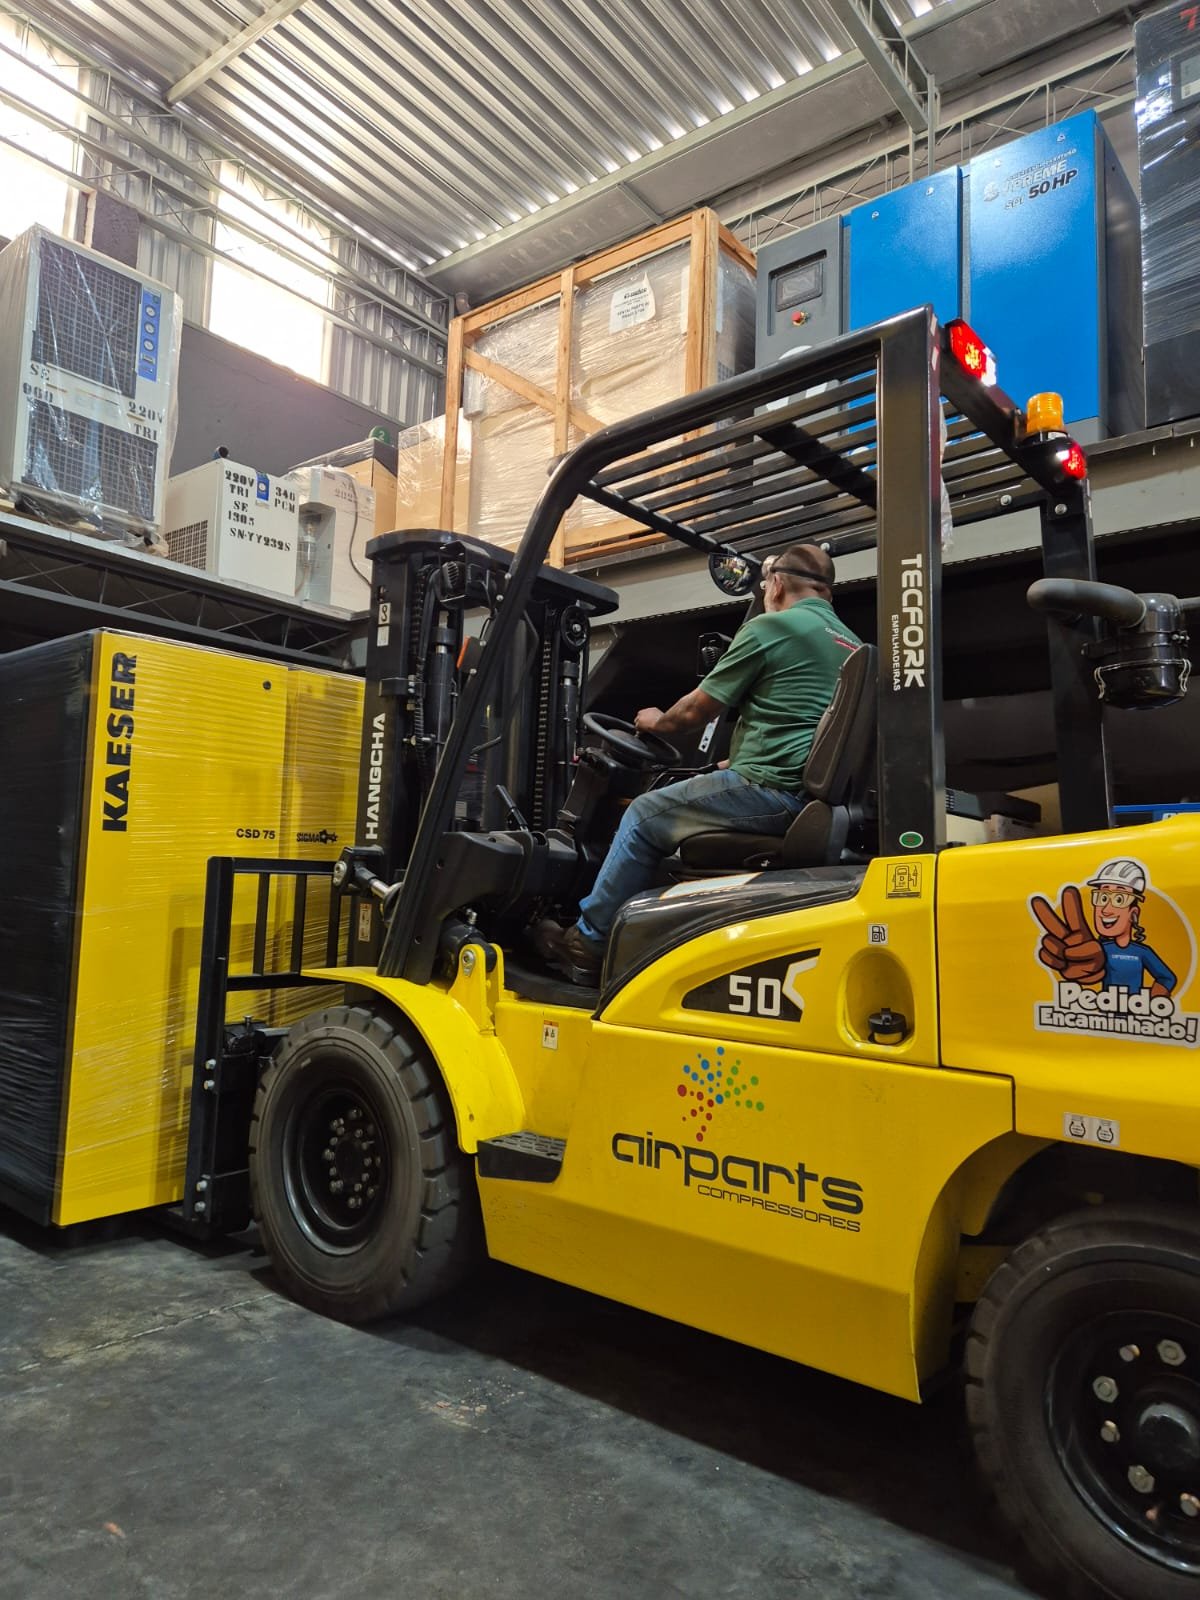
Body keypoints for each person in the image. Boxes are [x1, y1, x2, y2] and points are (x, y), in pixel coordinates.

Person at [537, 542, 862, 981]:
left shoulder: (772, 627)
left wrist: (655, 721)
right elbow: (802, 721)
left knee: (642, 816)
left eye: (766, 586)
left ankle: (587, 944)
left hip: (772, 790)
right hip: (802, 791)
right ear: (826, 592)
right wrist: (733, 761)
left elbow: (693, 713)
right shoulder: (849, 643)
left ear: (777, 584)